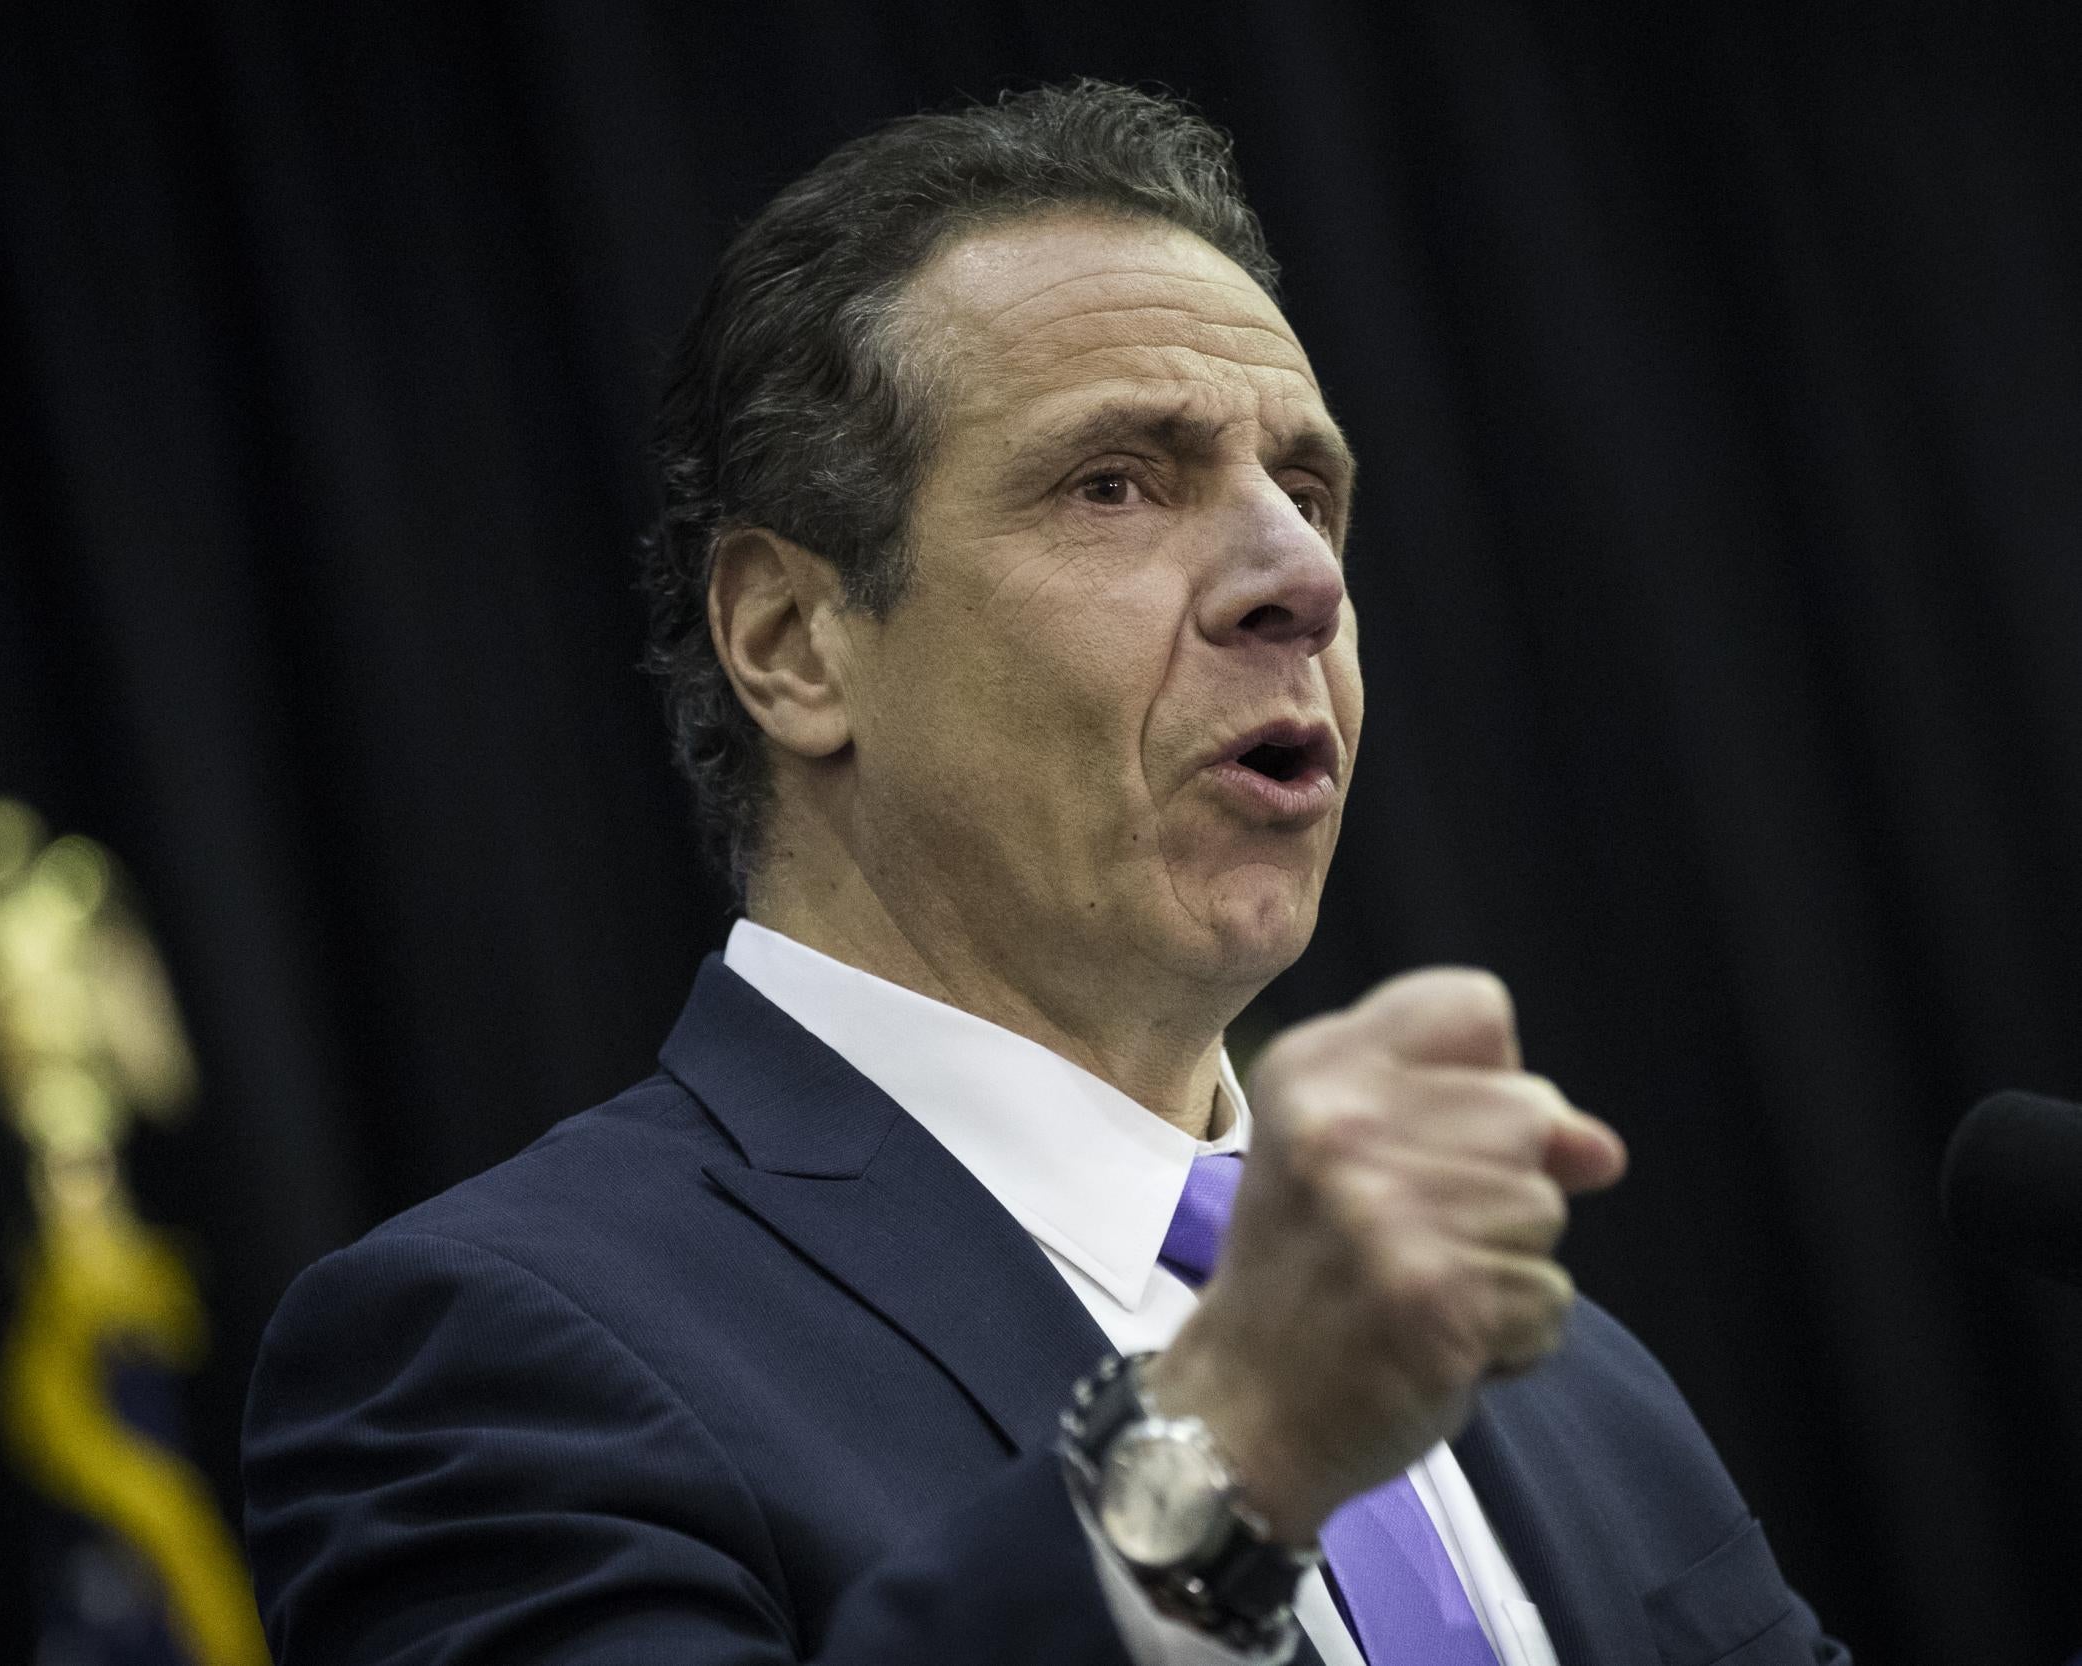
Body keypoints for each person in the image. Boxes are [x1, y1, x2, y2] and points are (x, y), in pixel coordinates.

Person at [240, 81, 1849, 1665]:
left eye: (1308, 493)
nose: (1300, 577)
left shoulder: (1556, 1379)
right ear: (793, 643)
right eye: (1116, 484)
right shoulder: (498, 1350)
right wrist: (1225, 1456)